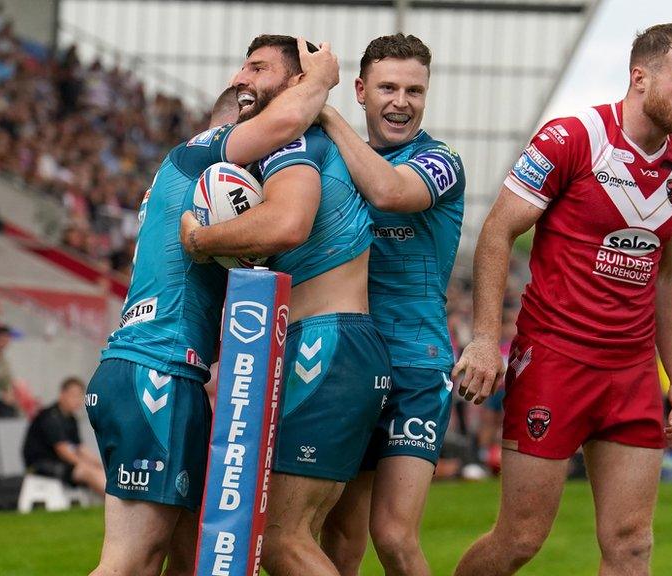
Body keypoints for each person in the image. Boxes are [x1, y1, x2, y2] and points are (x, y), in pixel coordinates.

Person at [452, 23, 672, 576]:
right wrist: (481, 339)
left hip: (633, 373)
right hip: (555, 361)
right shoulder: (572, 137)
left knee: (631, 544)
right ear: (640, 78)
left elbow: (669, 278)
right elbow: (498, 232)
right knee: (520, 539)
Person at [84, 38, 340, 576]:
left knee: (185, 557)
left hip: (156, 369)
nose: (242, 76)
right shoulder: (204, 150)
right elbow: (285, 120)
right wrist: (319, 80)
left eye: (256, 68)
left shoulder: (197, 183)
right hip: (156, 369)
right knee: (131, 561)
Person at [180, 35, 389, 576]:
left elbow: (288, 223)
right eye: (240, 66)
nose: (240, 78)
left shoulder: (297, 142)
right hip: (330, 344)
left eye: (257, 67)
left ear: (297, 83)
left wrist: (202, 238)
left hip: (325, 343)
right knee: (312, 536)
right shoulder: (299, 145)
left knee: (278, 539)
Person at [308, 33, 465, 576]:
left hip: (415, 366)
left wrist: (327, 118)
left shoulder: (440, 160)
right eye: (388, 87)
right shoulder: (333, 162)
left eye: (415, 90)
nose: (402, 101)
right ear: (361, 90)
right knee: (339, 534)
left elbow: (390, 193)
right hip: (349, 360)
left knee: (394, 536)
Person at [22, 377, 104, 495]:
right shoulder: (50, 417)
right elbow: (63, 450)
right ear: (62, 394)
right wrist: (86, 464)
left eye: (80, 396)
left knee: (97, 469)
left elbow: (80, 447)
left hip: (62, 462)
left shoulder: (71, 419)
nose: (77, 400)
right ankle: (111, 500)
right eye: (73, 395)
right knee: (87, 471)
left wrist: (100, 464)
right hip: (41, 464)